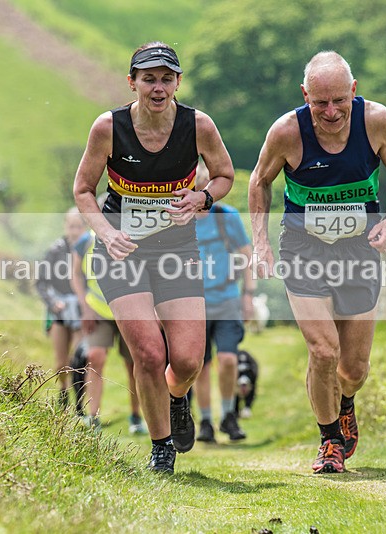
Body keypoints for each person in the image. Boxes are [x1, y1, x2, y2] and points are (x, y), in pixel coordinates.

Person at [248, 51, 386, 473]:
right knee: (323, 351)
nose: (331, 111)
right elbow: (259, 181)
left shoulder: (376, 121)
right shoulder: (287, 132)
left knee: (353, 368)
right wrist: (260, 245)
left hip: (360, 250)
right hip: (304, 248)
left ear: (354, 92)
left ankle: (345, 402)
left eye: (339, 100)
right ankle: (329, 443)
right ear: (305, 95)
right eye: (320, 102)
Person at [73, 42, 234, 474]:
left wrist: (202, 198)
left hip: (177, 250)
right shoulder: (108, 127)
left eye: (166, 78)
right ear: (133, 83)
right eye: (149, 79)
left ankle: (175, 396)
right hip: (120, 252)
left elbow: (224, 175)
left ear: (178, 82)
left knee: (186, 361)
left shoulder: (198, 126)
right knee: (147, 352)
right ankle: (161, 446)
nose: (158, 87)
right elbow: (84, 190)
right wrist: (105, 233)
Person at [193, 162, 255, 444]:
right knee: (200, 365)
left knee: (228, 359)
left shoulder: (226, 217)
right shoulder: (180, 219)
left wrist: (249, 295)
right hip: (194, 303)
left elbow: (245, 254)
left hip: (227, 297)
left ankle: (229, 416)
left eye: (204, 189)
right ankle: (205, 421)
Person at [71, 225, 147, 435]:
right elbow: (75, 274)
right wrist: (85, 308)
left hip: (129, 309)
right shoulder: (86, 240)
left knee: (135, 364)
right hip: (98, 309)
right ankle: (92, 417)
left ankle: (136, 416)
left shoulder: (134, 237)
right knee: (95, 357)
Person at [35, 208, 87, 409]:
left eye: (78, 226)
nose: (74, 231)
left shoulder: (89, 248)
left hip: (81, 310)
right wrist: (52, 303)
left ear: (85, 227)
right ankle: (63, 394)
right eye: (71, 226)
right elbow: (41, 282)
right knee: (61, 362)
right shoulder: (55, 250)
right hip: (59, 310)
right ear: (66, 226)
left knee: (79, 358)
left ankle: (80, 405)